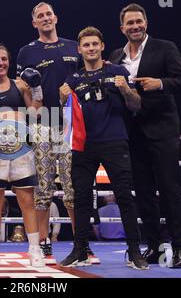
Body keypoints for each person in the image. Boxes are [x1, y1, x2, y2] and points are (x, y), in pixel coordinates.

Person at [109, 3, 181, 268]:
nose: (135, 26)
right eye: (129, 23)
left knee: (169, 189)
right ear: (122, 28)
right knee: (143, 192)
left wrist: (161, 83)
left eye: (138, 21)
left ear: (146, 22)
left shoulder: (165, 48)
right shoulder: (115, 57)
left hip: (162, 129)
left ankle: (179, 248)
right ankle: (154, 246)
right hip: (132, 133)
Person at [59, 26, 148, 270]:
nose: (90, 48)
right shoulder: (72, 80)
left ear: (102, 46)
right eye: (86, 45)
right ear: (79, 50)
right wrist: (62, 97)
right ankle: (81, 250)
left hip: (115, 141)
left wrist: (125, 88)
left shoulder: (118, 71)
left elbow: (136, 105)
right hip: (84, 145)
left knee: (124, 198)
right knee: (82, 199)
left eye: (94, 44)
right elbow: (66, 117)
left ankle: (134, 251)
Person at [16, 2, 83, 261]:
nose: (45, 18)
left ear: (55, 17)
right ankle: (43, 243)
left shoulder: (73, 46)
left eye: (48, 14)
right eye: (39, 16)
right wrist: (32, 110)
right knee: (43, 187)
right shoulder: (26, 52)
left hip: (70, 124)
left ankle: (81, 243)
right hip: (43, 124)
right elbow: (23, 87)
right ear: (34, 23)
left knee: (73, 187)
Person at [0, 44, 45, 267]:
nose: (0, 63)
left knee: (27, 201)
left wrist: (37, 89)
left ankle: (34, 251)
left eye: (4, 59)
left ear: (9, 62)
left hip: (21, 151)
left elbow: (36, 113)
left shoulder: (20, 85)